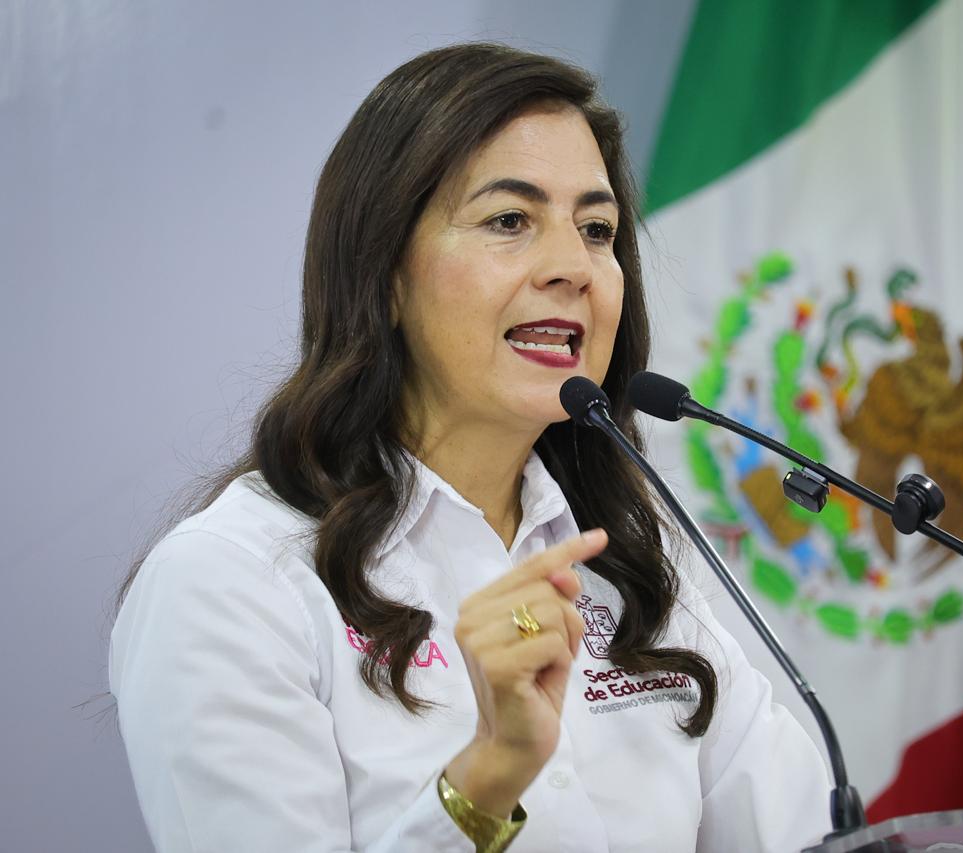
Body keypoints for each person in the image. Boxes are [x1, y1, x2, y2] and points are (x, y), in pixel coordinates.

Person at [109, 42, 830, 852]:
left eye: (597, 229)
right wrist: (489, 775)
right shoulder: (232, 582)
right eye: (510, 220)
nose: (573, 267)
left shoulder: (631, 560)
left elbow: (803, 830)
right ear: (383, 272)